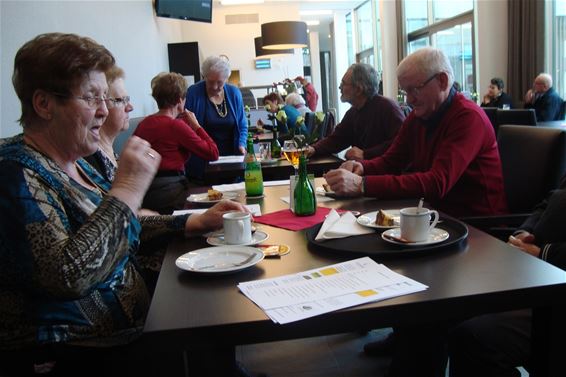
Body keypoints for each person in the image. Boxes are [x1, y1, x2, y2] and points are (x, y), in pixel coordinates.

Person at [0, 32, 248, 376]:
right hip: (82, 353)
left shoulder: (78, 162)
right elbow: (67, 275)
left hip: (130, 329)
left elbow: (120, 225)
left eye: (106, 98)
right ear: (43, 104)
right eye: (91, 98)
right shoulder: (15, 170)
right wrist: (129, 188)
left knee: (217, 287)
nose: (104, 110)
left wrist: (191, 222)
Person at [324, 48, 508, 218]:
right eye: (405, 92)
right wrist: (362, 168)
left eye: (414, 90)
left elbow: (436, 182)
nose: (410, 100)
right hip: (431, 214)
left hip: (476, 227)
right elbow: (392, 161)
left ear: (442, 81)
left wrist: (362, 185)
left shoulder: (468, 117)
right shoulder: (420, 115)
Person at [447, 174, 566, 377]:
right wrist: (523, 232)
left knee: (475, 337)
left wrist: (542, 252)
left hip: (555, 291)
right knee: (449, 300)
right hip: (537, 273)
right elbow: (547, 203)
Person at [134, 72, 219, 214]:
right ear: (180, 100)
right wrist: (196, 125)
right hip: (171, 192)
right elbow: (212, 152)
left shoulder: (144, 123)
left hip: (145, 191)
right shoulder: (176, 126)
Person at [305, 63, 405, 161]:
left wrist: (366, 154)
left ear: (358, 89)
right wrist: (314, 149)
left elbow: (403, 143)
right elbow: (337, 139)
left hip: (386, 173)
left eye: (343, 84)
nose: (340, 87)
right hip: (365, 171)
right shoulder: (353, 111)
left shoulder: (388, 108)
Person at [185, 56, 247, 181]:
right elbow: (187, 127)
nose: (214, 86)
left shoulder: (234, 93)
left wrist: (241, 143)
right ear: (204, 77)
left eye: (219, 82)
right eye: (210, 81)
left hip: (231, 159)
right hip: (202, 160)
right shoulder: (193, 92)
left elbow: (242, 124)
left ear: (226, 79)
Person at [84, 65, 132, 182]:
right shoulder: (88, 160)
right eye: (120, 100)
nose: (130, 107)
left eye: (127, 99)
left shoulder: (111, 155)